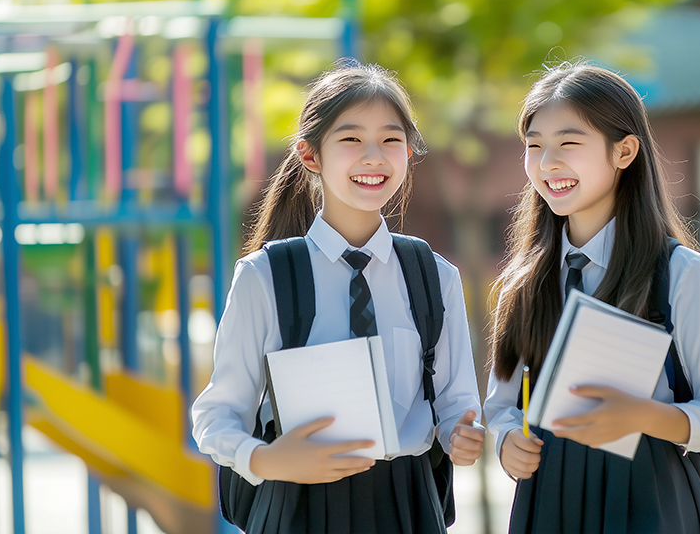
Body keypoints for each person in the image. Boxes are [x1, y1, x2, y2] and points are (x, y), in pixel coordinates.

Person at [192, 62, 484, 534]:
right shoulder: (264, 276)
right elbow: (217, 415)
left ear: (409, 152)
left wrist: (462, 435)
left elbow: (455, 403)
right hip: (296, 505)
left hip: (406, 506)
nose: (374, 157)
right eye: (351, 139)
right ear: (310, 156)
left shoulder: (434, 276)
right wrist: (266, 460)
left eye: (391, 140)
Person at [483, 61, 700, 534]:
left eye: (568, 143)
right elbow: (502, 404)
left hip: (655, 497)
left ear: (624, 151)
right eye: (534, 146)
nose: (547, 164)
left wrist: (643, 415)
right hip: (550, 501)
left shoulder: (678, 272)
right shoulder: (522, 282)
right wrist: (506, 440)